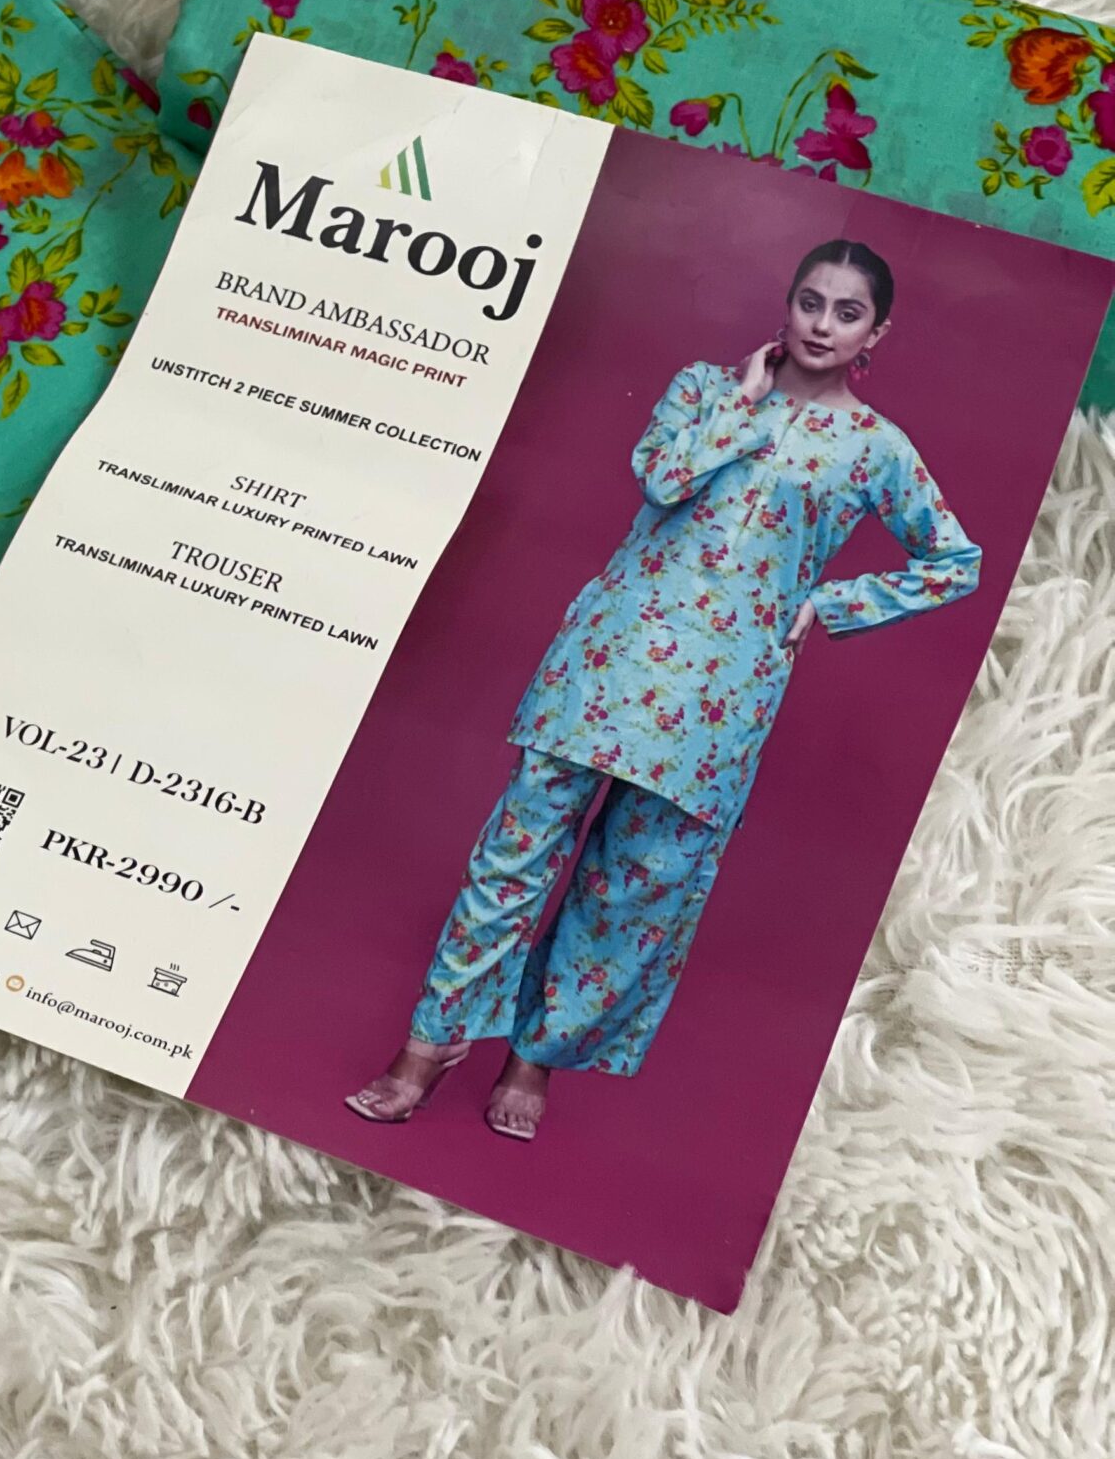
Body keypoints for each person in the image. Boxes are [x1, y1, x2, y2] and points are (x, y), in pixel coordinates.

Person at [344, 239, 981, 1143]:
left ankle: (536, 1056)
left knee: (633, 887)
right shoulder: (704, 390)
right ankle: (430, 1042)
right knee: (511, 860)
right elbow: (661, 477)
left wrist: (833, 603)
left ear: (877, 332)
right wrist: (740, 407)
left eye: (847, 313)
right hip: (609, 658)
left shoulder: (879, 449)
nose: (822, 325)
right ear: (787, 303)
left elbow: (955, 562)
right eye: (810, 302)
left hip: (722, 693)